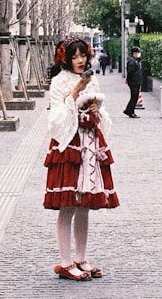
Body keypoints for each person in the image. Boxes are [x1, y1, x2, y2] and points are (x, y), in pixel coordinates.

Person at [43, 37, 119, 281]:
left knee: (84, 205)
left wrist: (97, 111)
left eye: (83, 56)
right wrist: (74, 95)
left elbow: (102, 113)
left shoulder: (92, 79)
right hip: (69, 147)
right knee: (67, 205)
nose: (79, 61)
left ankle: (81, 258)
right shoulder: (58, 81)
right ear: (65, 58)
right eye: (74, 57)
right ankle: (65, 262)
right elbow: (55, 119)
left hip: (89, 145)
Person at [123, 46, 142, 118]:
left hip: (135, 81)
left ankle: (129, 110)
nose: (138, 54)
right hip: (134, 81)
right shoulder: (132, 61)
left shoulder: (134, 60)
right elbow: (130, 71)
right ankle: (130, 111)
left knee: (134, 97)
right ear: (134, 53)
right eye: (137, 53)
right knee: (134, 97)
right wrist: (128, 79)